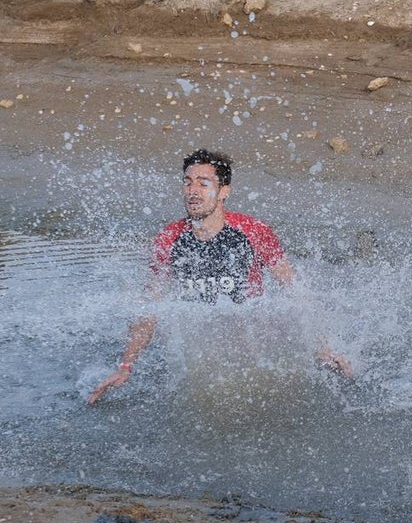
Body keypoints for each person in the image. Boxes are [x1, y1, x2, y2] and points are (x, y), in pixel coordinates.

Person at [87, 148, 351, 404]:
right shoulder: (169, 238)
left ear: (224, 192)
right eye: (188, 182)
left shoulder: (254, 231)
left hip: (251, 342)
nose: (192, 191)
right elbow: (150, 307)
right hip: (203, 347)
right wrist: (126, 366)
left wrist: (323, 347)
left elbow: (296, 291)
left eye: (203, 184)